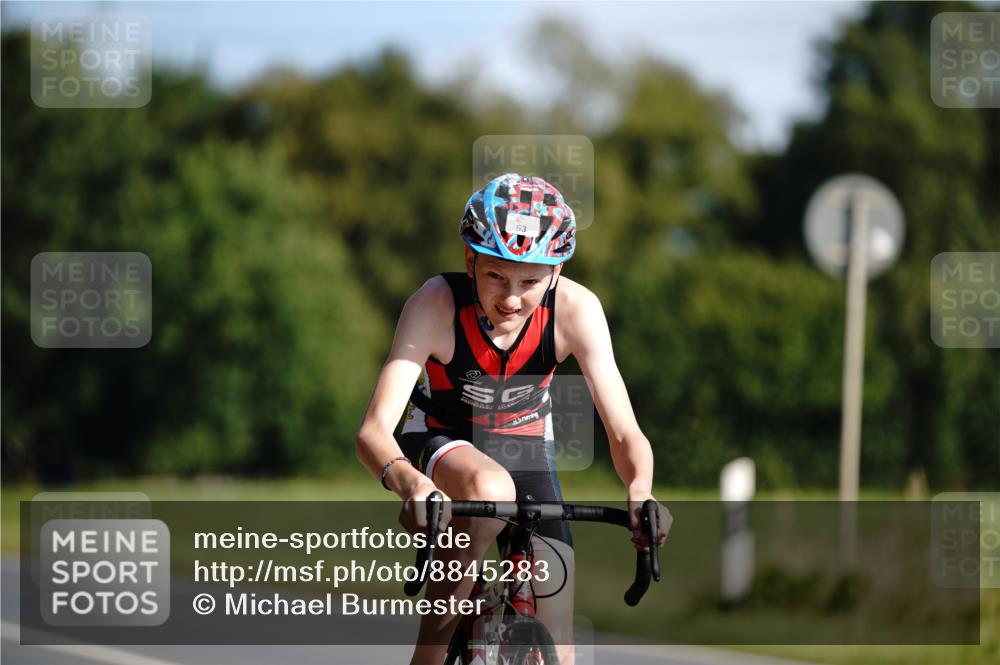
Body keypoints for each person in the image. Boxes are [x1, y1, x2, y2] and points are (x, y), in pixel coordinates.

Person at [356, 173, 668, 665]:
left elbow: (625, 431)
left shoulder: (577, 311)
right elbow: (373, 430)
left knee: (560, 640)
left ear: (558, 272)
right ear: (469, 260)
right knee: (488, 487)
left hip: (524, 449)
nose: (512, 299)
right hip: (439, 436)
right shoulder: (434, 304)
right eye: (496, 276)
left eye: (530, 281)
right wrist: (411, 484)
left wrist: (641, 489)